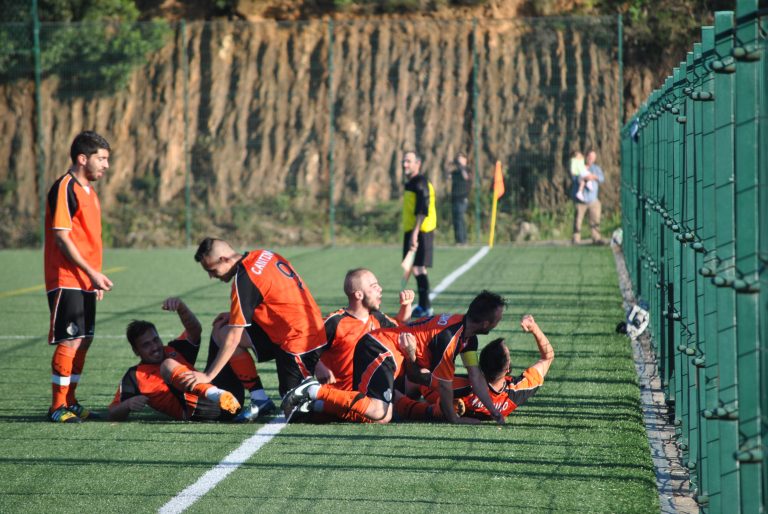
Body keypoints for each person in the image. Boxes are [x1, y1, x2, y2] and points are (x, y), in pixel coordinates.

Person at [282, 290, 507, 425]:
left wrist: (493, 411)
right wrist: (454, 419)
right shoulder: (451, 337)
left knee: (379, 416)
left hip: (392, 355)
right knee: (379, 411)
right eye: (497, 319)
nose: (498, 322)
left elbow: (475, 376)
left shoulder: (467, 338)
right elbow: (445, 387)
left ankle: (314, 406)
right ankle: (313, 390)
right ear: (486, 323)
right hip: (382, 348)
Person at [183, 237, 327, 420]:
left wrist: (208, 375)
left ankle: (349, 404)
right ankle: (260, 399)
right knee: (222, 330)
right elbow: (276, 298)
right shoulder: (265, 254)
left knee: (294, 410)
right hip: (299, 329)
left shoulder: (244, 280)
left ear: (224, 259)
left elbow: (234, 338)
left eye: (211, 270)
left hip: (298, 341)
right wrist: (235, 316)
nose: (211, 276)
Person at [44, 130, 113, 423]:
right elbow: (62, 237)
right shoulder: (65, 187)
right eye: (102, 158)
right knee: (70, 340)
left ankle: (71, 401)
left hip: (85, 280)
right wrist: (91, 273)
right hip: (66, 277)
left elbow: (89, 239)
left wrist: (94, 278)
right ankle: (57, 406)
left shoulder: (90, 192)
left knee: (84, 341)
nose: (106, 165)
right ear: (82, 159)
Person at [108, 297, 241, 421]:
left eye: (155, 340)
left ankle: (252, 393)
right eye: (146, 345)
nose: (154, 347)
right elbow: (113, 412)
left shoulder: (173, 350)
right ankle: (216, 394)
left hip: (231, 398)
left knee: (222, 328)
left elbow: (195, 330)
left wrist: (181, 307)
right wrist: (128, 404)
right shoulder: (134, 375)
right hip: (203, 410)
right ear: (136, 351)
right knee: (167, 365)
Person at [404, 314, 554, 421]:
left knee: (419, 389)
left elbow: (423, 381)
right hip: (444, 401)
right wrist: (534, 328)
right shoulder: (516, 391)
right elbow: (548, 357)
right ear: (507, 369)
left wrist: (411, 353)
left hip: (430, 397)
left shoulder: (462, 386)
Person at [317, 268, 414, 392]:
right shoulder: (335, 322)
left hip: (372, 394)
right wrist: (318, 367)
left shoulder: (377, 317)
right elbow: (303, 347)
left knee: (419, 376)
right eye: (374, 286)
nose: (380, 289)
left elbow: (401, 328)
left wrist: (406, 305)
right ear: (359, 295)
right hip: (341, 397)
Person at [401, 150, 437, 318]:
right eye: (404, 161)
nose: (405, 165)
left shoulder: (421, 183)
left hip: (422, 230)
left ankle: (426, 307)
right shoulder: (411, 182)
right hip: (412, 230)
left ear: (418, 164)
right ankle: (423, 305)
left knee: (418, 268)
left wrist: (415, 233)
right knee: (415, 268)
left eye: (408, 161)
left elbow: (423, 210)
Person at [572, 149, 605, 244]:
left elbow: (601, 179)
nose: (591, 159)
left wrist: (593, 177)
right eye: (590, 157)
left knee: (595, 220)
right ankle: (576, 239)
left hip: (593, 199)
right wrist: (585, 177)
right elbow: (575, 178)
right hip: (581, 201)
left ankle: (596, 238)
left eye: (593, 157)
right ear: (586, 157)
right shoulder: (579, 166)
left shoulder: (596, 169)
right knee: (577, 221)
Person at [449, 152, 471, 245]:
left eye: (461, 158)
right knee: (455, 219)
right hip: (455, 198)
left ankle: (462, 240)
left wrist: (462, 167)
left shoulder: (467, 170)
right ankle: (458, 239)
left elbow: (466, 177)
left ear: (465, 160)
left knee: (460, 218)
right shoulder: (455, 172)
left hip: (462, 198)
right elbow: (448, 176)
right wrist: (450, 165)